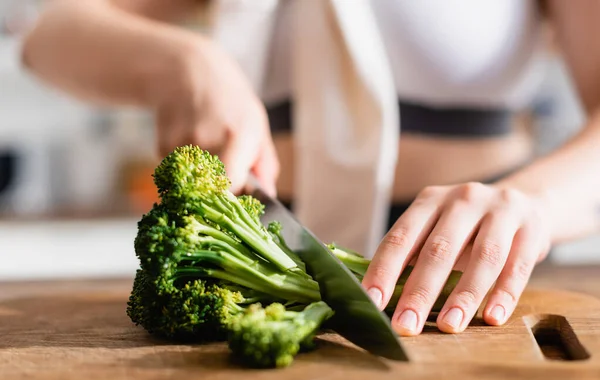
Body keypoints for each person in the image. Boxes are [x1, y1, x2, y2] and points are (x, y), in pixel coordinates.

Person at [19, 0, 600, 337]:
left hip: (479, 278)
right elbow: (48, 32)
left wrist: (536, 204)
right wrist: (181, 61)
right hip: (262, 257)